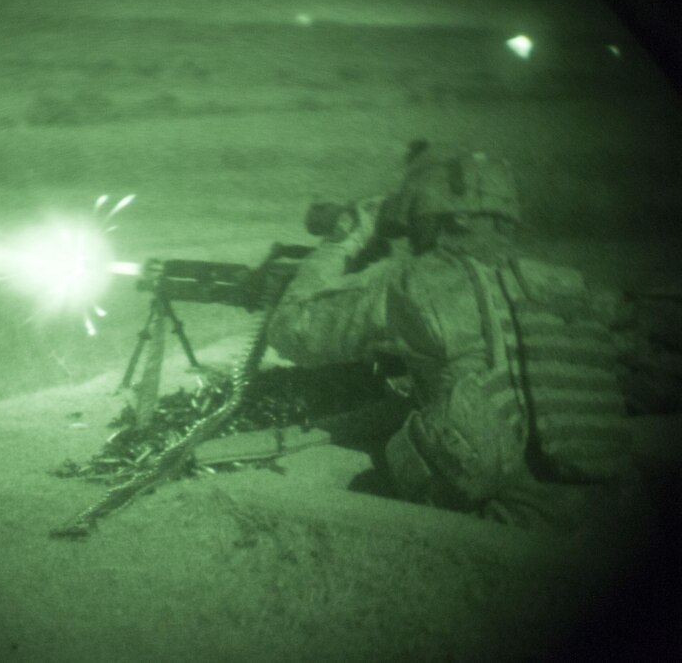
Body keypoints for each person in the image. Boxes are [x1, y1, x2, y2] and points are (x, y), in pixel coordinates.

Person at [267, 140, 641, 531]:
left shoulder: (414, 282)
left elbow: (292, 328)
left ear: (448, 217)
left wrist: (347, 236)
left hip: (513, 531)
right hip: (625, 521)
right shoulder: (568, 283)